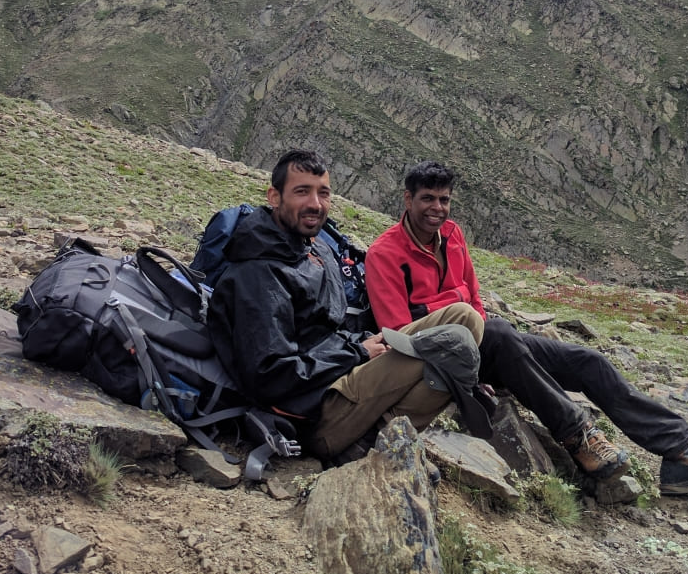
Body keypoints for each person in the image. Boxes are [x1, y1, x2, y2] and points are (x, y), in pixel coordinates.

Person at [365, 160, 688, 496]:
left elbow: (474, 296)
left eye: (444, 199)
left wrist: (484, 331)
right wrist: (468, 373)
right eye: (427, 199)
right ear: (407, 199)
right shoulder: (385, 254)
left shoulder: (453, 235)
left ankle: (681, 454)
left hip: (492, 342)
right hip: (448, 357)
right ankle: (580, 437)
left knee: (587, 361)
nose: (437, 208)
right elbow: (402, 335)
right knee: (500, 332)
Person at [207, 149, 488, 463]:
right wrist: (357, 353)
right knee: (449, 349)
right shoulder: (257, 275)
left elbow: (330, 327)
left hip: (341, 372)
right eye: (302, 192)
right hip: (313, 412)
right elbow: (271, 377)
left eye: (323, 193)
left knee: (465, 318)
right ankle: (367, 445)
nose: (315, 204)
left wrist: (360, 344)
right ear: (274, 197)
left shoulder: (315, 250)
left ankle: (379, 433)